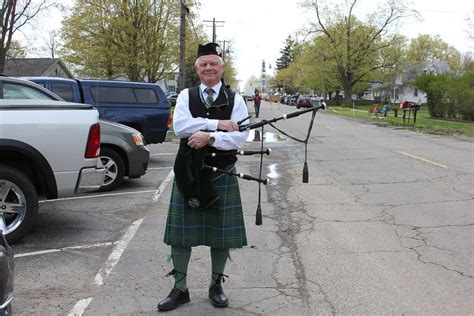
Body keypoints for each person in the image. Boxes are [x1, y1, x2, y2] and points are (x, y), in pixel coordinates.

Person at [157, 42, 250, 312]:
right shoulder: (187, 95)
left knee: (221, 236)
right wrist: (217, 125)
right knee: (180, 236)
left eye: (213, 64)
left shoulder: (236, 100)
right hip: (190, 174)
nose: (208, 68)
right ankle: (180, 289)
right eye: (203, 65)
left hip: (222, 173)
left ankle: (215, 285)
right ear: (197, 70)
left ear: (221, 68)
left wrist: (208, 137)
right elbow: (181, 127)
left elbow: (240, 137)